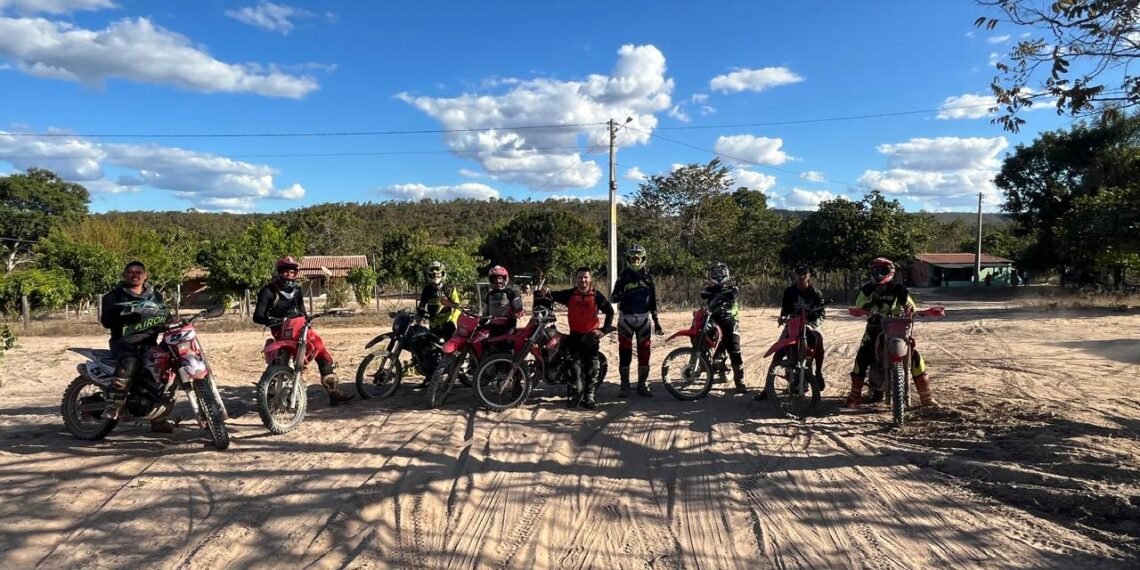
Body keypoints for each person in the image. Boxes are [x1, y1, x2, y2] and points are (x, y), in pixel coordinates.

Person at [253, 255, 353, 406]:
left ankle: (333, 393)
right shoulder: (268, 291)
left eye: (292, 272)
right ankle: (268, 391)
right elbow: (258, 316)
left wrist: (308, 326)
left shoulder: (297, 291)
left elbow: (302, 313)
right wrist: (272, 321)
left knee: (322, 352)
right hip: (282, 331)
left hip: (300, 329)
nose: (289, 275)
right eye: (286, 271)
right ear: (280, 272)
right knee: (277, 361)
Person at [845, 257, 936, 409]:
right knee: (862, 356)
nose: (879, 273)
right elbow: (859, 303)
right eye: (876, 270)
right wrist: (867, 308)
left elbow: (910, 304)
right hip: (875, 328)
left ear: (891, 272)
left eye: (882, 270)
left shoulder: (899, 289)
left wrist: (910, 310)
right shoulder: (867, 289)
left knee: (914, 355)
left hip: (896, 327)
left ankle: (926, 398)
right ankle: (854, 395)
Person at [99, 261, 175, 432]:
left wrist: (172, 323)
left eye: (139, 272)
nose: (135, 275)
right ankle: (114, 405)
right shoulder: (114, 296)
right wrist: (126, 317)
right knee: (130, 363)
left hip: (149, 343)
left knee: (166, 373)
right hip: (124, 343)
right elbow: (106, 321)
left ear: (145, 275)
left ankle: (158, 419)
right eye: (130, 272)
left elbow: (165, 315)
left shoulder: (155, 295)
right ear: (124, 275)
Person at [539, 268, 615, 409]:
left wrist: (604, 330)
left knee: (591, 368)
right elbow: (552, 295)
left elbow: (610, 311)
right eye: (580, 277)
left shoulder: (596, 295)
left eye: (585, 277)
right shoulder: (570, 294)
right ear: (576, 279)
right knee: (574, 368)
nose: (583, 280)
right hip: (575, 336)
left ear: (590, 279)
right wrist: (546, 291)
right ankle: (576, 395)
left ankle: (589, 397)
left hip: (591, 337)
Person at [757, 264, 826, 401]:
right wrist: (784, 319)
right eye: (799, 273)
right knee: (777, 354)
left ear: (809, 275)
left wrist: (813, 324)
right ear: (795, 275)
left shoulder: (816, 293)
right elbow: (785, 311)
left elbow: (821, 314)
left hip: (808, 326)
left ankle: (818, 373)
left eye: (804, 274)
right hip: (793, 326)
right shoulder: (789, 292)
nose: (801, 276)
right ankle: (767, 389)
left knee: (819, 342)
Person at [611, 245, 663, 397]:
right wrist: (624, 292)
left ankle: (642, 384)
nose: (635, 261)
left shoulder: (648, 278)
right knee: (625, 352)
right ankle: (625, 385)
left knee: (645, 352)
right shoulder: (622, 277)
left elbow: (653, 301)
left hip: (644, 318)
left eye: (638, 258)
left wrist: (657, 321)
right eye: (633, 258)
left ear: (643, 259)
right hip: (625, 318)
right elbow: (613, 297)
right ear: (628, 259)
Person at [700, 262, 747, 394]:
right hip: (712, 319)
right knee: (699, 333)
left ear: (726, 274)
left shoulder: (732, 287)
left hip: (729, 319)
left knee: (734, 347)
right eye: (715, 274)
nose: (719, 276)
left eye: (721, 273)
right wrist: (713, 288)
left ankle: (740, 380)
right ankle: (700, 362)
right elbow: (703, 294)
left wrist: (721, 291)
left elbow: (733, 293)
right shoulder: (708, 289)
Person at [417, 261, 461, 340]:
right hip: (433, 325)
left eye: (438, 274)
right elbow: (422, 305)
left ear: (443, 274)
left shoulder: (450, 288)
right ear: (429, 275)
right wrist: (420, 315)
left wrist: (452, 320)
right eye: (433, 275)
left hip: (448, 325)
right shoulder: (427, 290)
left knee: (449, 349)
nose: (435, 276)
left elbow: (458, 307)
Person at [482, 265, 524, 337]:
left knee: (506, 346)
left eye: (500, 278)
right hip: (493, 326)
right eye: (495, 279)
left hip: (508, 326)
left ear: (505, 279)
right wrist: (480, 321)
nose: (498, 281)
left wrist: (511, 316)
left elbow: (520, 311)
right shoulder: (489, 295)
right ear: (491, 280)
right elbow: (485, 313)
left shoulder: (512, 293)